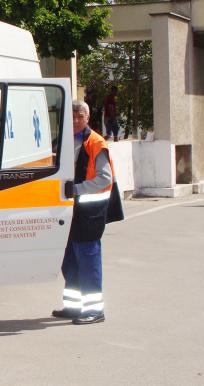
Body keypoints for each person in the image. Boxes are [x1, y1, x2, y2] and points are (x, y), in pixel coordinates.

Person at [52, 100, 115, 325]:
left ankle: (94, 311)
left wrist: (76, 189)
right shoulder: (63, 141)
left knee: (87, 260)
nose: (76, 120)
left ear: (87, 118)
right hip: (69, 210)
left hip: (89, 212)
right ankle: (74, 306)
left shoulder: (95, 142)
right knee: (69, 260)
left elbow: (105, 178)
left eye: (80, 116)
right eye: (73, 116)